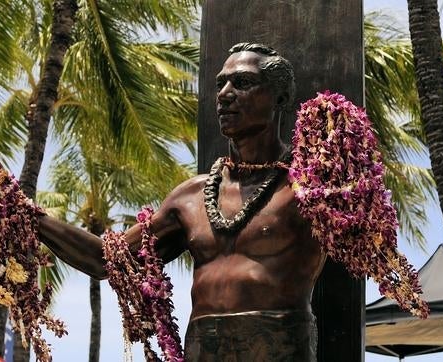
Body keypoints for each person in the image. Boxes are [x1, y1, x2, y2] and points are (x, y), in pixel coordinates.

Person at [38, 42, 325, 361]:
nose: (225, 94)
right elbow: (107, 260)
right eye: (221, 84)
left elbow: (373, 246)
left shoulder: (310, 188)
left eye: (242, 82)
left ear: (280, 98)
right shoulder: (191, 197)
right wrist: (25, 214)